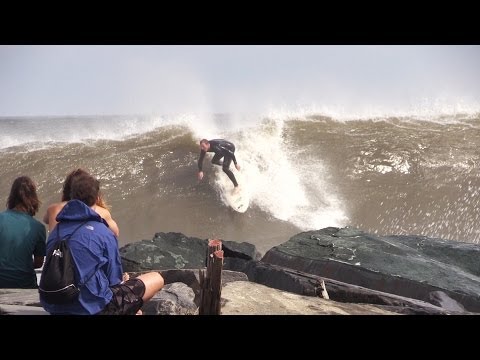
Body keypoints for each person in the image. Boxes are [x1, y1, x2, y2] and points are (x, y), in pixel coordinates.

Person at [40, 172, 164, 315]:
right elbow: (113, 281)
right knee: (156, 278)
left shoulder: (57, 231)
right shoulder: (102, 232)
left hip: (53, 307)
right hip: (91, 309)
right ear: (98, 197)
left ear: (71, 197)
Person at [0, 176, 46, 288]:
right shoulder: (38, 227)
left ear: (12, 196)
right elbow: (39, 262)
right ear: (33, 197)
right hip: (25, 284)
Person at [43, 168, 119, 236]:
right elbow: (115, 233)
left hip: (56, 250)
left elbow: (45, 220)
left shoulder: (54, 209)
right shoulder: (102, 212)